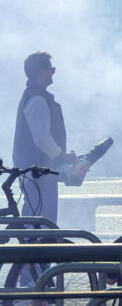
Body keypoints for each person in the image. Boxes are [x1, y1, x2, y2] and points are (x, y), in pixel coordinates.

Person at [12, 52, 86, 223]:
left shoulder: (34, 96)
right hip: (38, 171)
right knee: (40, 216)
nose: (53, 72)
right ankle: (36, 248)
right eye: (51, 68)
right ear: (41, 71)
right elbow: (42, 139)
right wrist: (64, 155)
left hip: (37, 170)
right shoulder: (37, 100)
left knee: (37, 213)